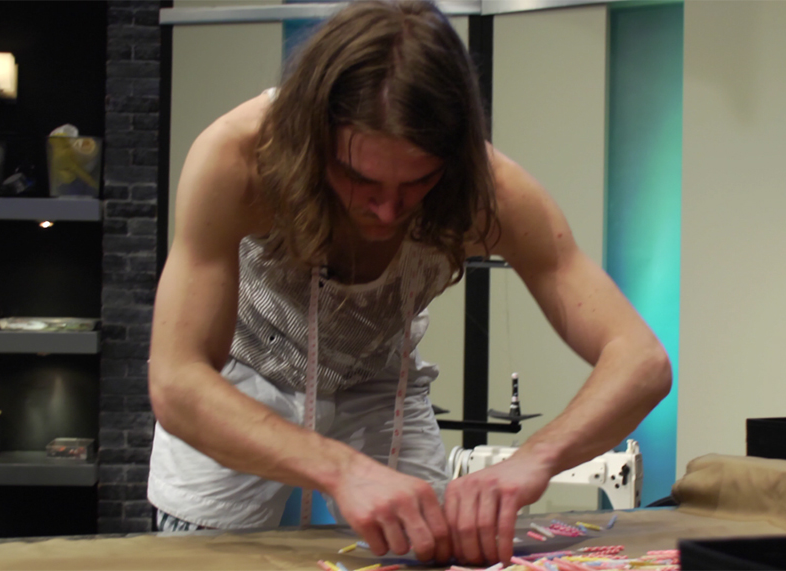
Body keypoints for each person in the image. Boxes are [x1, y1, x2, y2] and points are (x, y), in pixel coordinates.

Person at [147, 0, 671, 565]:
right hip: (245, 379)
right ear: (313, 137)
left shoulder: (491, 193)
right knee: (203, 559)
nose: (388, 209)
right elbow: (177, 382)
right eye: (359, 177)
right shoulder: (239, 159)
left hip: (378, 381)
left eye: (418, 182)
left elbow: (641, 361)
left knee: (434, 550)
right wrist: (339, 468)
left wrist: (534, 460)